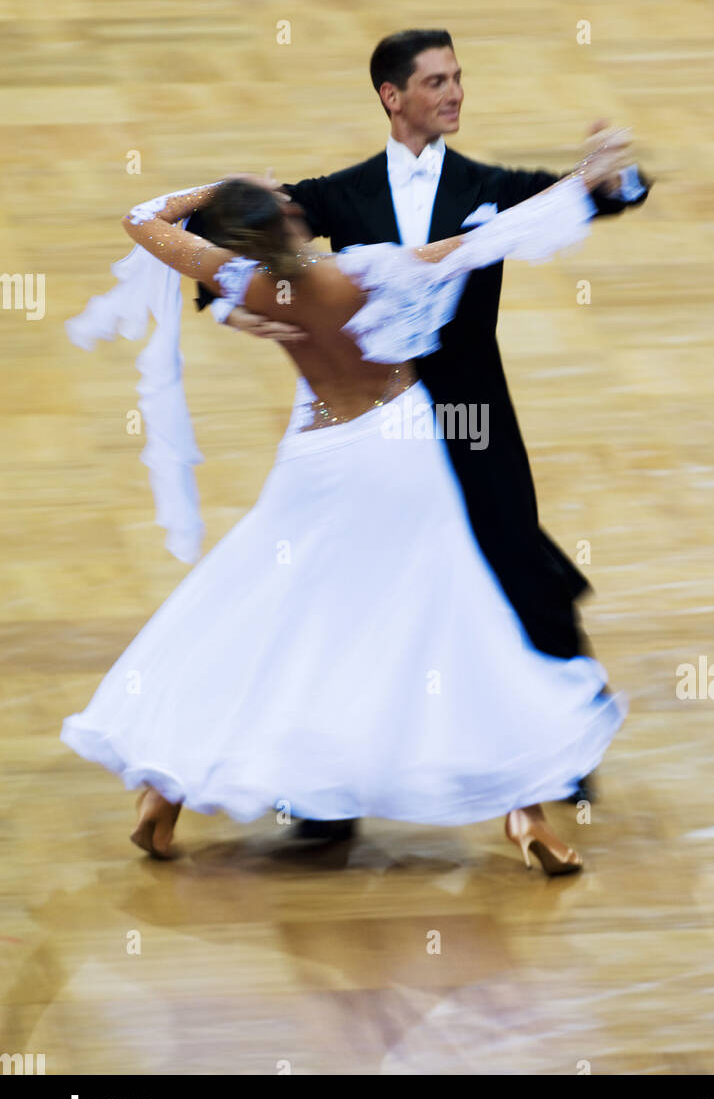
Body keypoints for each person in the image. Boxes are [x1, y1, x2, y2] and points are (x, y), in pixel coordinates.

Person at [61, 128, 632, 875]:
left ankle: (163, 795)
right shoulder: (365, 273)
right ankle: (525, 816)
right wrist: (583, 182)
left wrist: (218, 190)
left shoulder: (244, 283)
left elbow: (141, 221)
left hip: (314, 461)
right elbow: (486, 241)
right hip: (399, 456)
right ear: (290, 221)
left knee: (264, 608)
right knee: (453, 618)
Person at [191, 29, 650, 837]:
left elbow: (584, 198)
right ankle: (324, 794)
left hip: (471, 416)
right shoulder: (341, 192)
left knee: (510, 553)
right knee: (347, 585)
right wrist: (230, 310)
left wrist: (620, 176)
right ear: (390, 96)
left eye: (459, 78)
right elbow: (239, 234)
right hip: (371, 423)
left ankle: (561, 755)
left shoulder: (488, 184)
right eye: (435, 81)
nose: (454, 93)